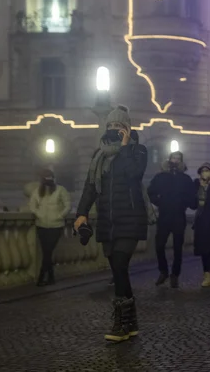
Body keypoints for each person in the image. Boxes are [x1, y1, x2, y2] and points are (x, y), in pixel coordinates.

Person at [74, 105, 149, 343]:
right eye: (110, 126)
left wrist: (125, 148)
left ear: (127, 128)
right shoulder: (99, 156)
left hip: (131, 219)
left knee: (119, 264)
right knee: (118, 271)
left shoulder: (138, 151)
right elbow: (90, 187)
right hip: (108, 221)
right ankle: (131, 320)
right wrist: (81, 213)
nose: (114, 130)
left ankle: (120, 324)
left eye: (119, 126)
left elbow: (134, 175)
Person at [149, 151, 196, 288]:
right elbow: (150, 192)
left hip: (178, 217)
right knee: (159, 245)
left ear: (181, 161)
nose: (175, 161)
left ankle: (175, 275)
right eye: (173, 158)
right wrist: (160, 202)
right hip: (164, 216)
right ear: (169, 160)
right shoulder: (161, 177)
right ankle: (163, 271)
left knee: (178, 248)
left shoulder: (185, 179)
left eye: (178, 159)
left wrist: (184, 202)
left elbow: (192, 198)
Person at [29, 169, 71, 287]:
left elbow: (67, 205)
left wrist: (59, 216)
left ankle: (42, 276)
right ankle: (50, 278)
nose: (48, 179)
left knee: (47, 252)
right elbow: (32, 205)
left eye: (49, 177)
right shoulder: (37, 191)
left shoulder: (60, 190)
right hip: (41, 225)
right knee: (47, 252)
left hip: (56, 226)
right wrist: (39, 214)